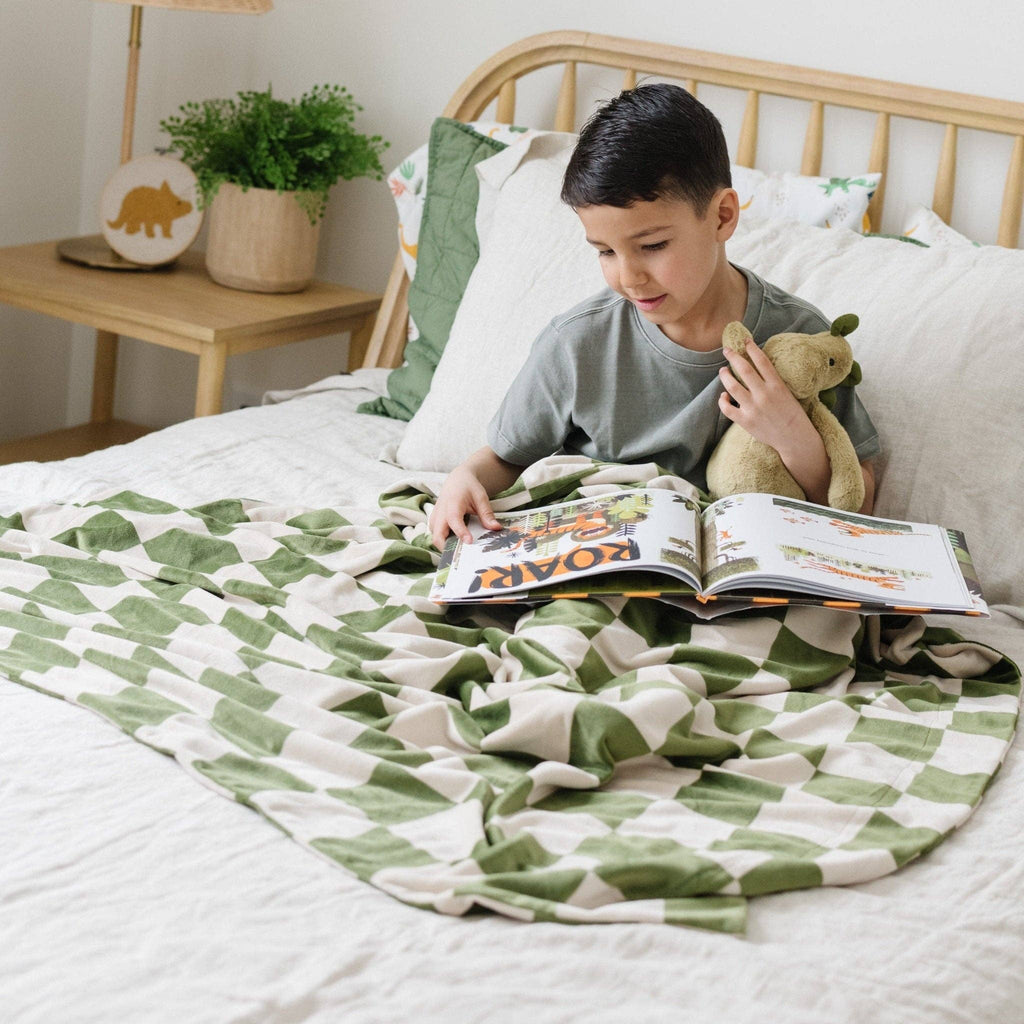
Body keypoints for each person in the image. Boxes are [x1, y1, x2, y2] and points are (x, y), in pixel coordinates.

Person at [428, 83, 880, 548]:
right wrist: (464, 478)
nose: (629, 277)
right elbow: (507, 459)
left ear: (723, 216)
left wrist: (792, 435)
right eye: (605, 251)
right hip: (600, 545)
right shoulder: (577, 342)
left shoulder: (799, 340)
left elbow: (861, 507)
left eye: (652, 247)